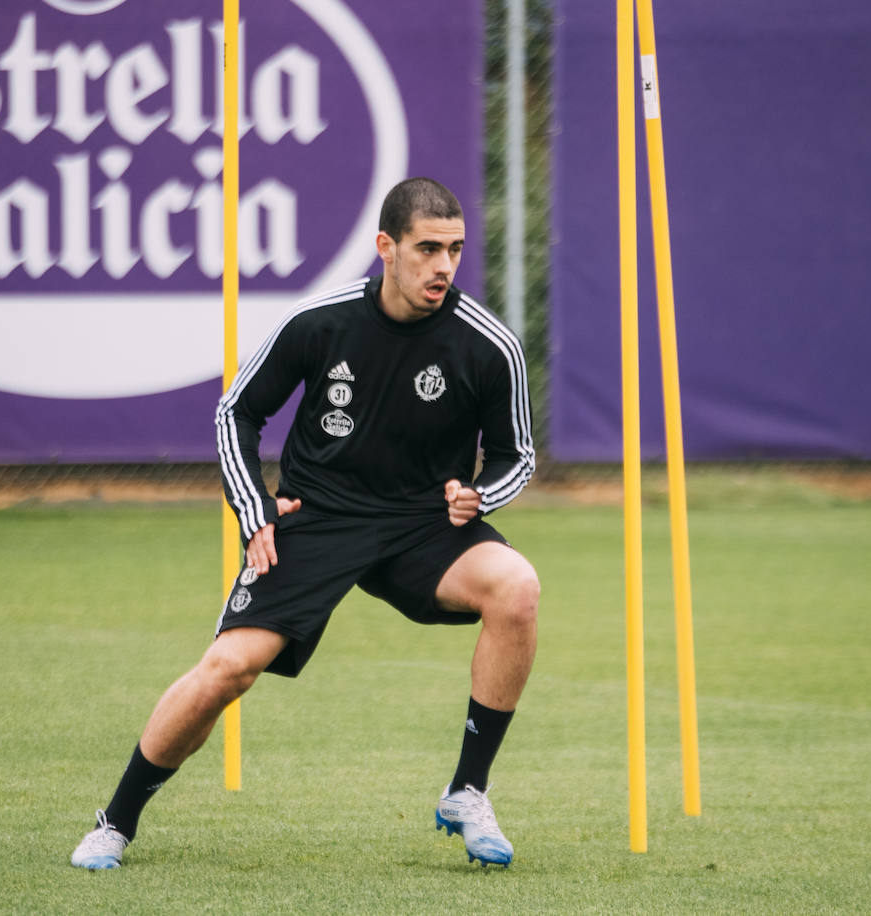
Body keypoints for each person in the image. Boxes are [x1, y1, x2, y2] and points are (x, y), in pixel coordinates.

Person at [71, 177, 538, 870]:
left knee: (517, 587)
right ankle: (116, 820)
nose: (443, 266)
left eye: (456, 250)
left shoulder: (486, 343)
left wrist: (479, 497)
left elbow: (516, 455)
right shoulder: (321, 322)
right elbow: (237, 411)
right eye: (427, 248)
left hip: (423, 525)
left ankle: (467, 790)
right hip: (317, 518)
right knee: (228, 670)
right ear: (386, 248)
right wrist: (254, 506)